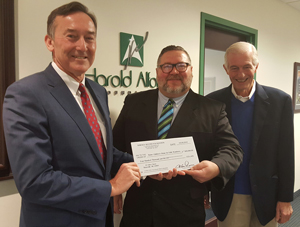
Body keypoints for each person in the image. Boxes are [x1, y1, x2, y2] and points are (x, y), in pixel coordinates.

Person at [2, 2, 142, 227]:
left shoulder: (97, 91)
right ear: (49, 42)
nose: (82, 46)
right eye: (71, 36)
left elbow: (100, 153)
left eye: (89, 38)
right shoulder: (26, 94)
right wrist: (111, 187)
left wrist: (148, 164)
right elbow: (34, 182)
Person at [112, 45, 243, 227]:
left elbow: (232, 149)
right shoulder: (133, 102)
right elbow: (115, 146)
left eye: (181, 66)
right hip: (138, 208)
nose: (174, 72)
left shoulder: (212, 109)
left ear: (191, 71)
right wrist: (115, 185)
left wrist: (215, 167)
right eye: (167, 66)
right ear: (157, 72)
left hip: (185, 212)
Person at [206, 41, 294, 227]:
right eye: (234, 68)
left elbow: (286, 153)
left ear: (256, 66)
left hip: (267, 194)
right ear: (226, 69)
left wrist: (285, 198)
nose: (241, 74)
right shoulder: (212, 102)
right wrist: (204, 190)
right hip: (229, 193)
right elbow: (207, 148)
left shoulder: (280, 101)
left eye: (247, 67)